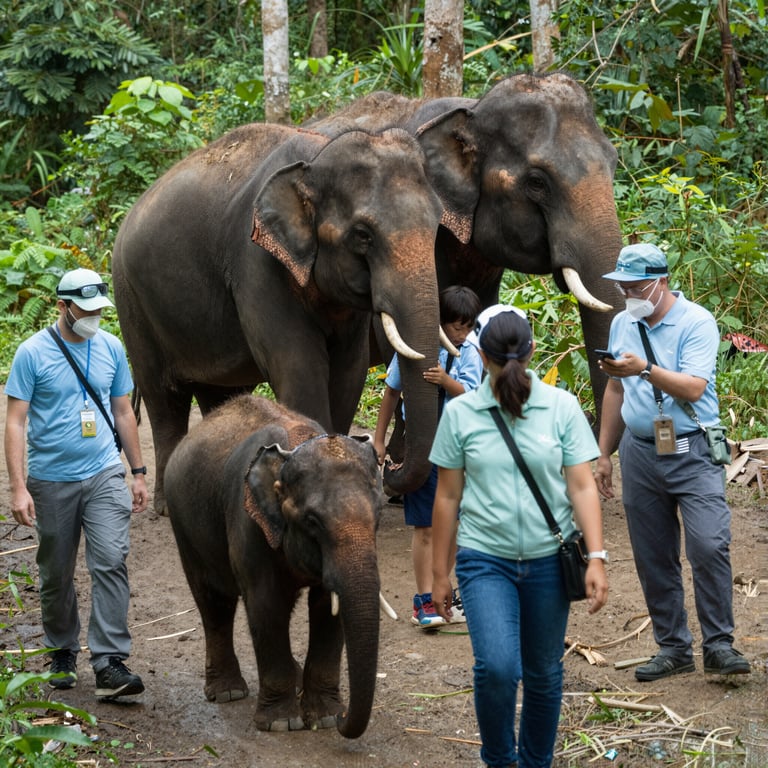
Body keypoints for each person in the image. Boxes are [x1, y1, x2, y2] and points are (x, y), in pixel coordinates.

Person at [430, 304, 608, 768]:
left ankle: (535, 762)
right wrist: (439, 574)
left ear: (481, 355)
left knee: (544, 673)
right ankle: (499, 760)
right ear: (531, 350)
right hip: (484, 559)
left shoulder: (560, 407)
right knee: (498, 668)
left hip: (550, 560)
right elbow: (447, 497)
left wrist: (596, 557)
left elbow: (582, 485)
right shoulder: (462, 414)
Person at [594, 243, 751, 681]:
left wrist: (644, 369)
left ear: (660, 281)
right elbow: (614, 390)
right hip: (640, 452)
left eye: (635, 286)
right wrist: (604, 453)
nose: (628, 294)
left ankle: (719, 644)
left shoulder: (696, 321)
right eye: (622, 286)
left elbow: (694, 387)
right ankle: (673, 647)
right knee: (652, 554)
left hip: (693, 449)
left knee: (709, 544)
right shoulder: (622, 323)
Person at [4, 268, 149, 699]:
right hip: (51, 480)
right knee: (56, 573)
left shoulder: (110, 347)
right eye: (84, 310)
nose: (93, 318)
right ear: (62, 306)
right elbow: (15, 422)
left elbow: (122, 411)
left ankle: (109, 662)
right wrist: (18, 487)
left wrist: (138, 472)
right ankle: (62, 650)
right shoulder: (32, 354)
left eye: (98, 310)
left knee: (111, 560)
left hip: (104, 472)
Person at [374, 285, 483, 628]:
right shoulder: (414, 347)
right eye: (456, 327)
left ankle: (442, 591)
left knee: (454, 525)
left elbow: (473, 396)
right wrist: (379, 439)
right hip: (423, 448)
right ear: (440, 323)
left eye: (468, 327)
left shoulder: (470, 352)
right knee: (425, 525)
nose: (462, 335)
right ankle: (423, 599)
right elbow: (392, 392)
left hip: (458, 449)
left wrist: (445, 381)